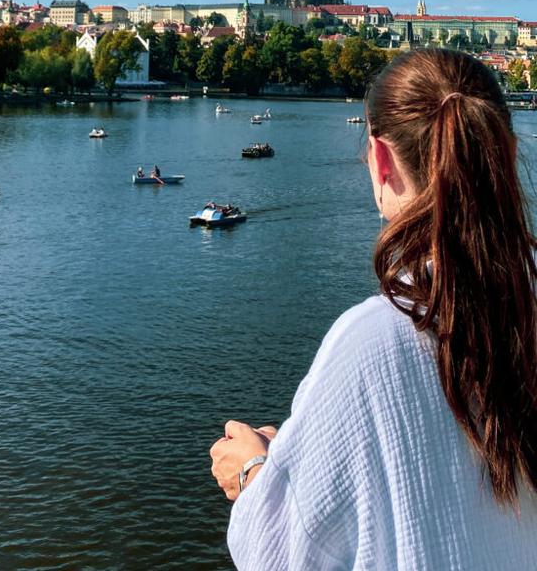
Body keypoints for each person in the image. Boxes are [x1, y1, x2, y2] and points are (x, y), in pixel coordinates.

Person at [211, 49, 537, 569]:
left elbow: (279, 555)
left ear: (380, 160)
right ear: (507, 151)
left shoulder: (376, 340)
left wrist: (253, 469)